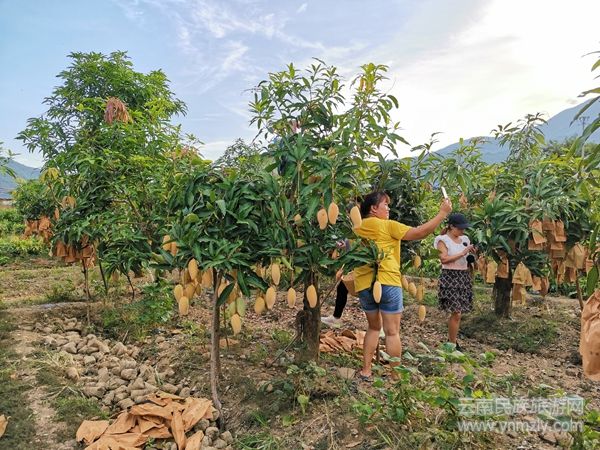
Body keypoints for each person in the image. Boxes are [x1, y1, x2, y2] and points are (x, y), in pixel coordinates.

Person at [354, 191, 452, 380]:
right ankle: (395, 376)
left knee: (373, 328)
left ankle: (366, 370)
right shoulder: (388, 225)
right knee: (392, 332)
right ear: (373, 208)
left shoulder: (356, 228)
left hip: (364, 284)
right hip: (388, 282)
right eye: (385, 205)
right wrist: (442, 213)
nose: (388, 208)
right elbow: (420, 232)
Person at [434, 213, 475, 351]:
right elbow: (444, 259)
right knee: (456, 312)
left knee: (459, 312)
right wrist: (463, 253)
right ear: (451, 226)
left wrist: (471, 254)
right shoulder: (442, 240)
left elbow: (467, 257)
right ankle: (452, 343)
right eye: (460, 228)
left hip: (463, 276)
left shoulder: (465, 239)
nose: (462, 231)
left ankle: (452, 340)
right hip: (450, 277)